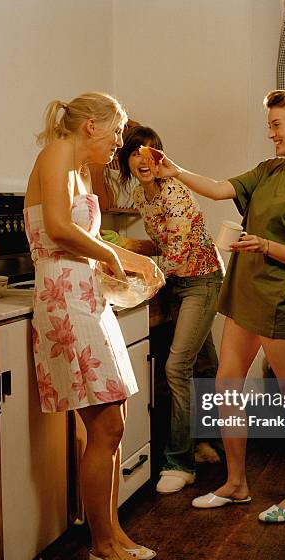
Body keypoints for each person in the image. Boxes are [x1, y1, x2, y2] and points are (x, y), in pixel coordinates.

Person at [150, 90, 285, 522]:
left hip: (277, 298)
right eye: (270, 124)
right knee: (227, 383)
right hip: (244, 291)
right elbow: (219, 189)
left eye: (277, 125)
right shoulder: (271, 170)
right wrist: (173, 171)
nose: (270, 132)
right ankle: (236, 484)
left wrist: (265, 244)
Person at [23, 92, 164, 560]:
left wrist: (118, 261)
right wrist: (119, 257)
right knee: (103, 425)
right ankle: (102, 548)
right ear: (90, 127)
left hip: (87, 300)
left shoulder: (82, 170)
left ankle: (115, 534)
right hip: (64, 301)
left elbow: (84, 236)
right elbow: (60, 229)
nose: (119, 142)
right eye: (116, 132)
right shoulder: (57, 153)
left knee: (114, 423)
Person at [116, 126, 225, 494]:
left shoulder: (173, 191)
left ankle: (180, 462)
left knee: (177, 366)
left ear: (161, 158)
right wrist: (128, 244)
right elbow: (162, 243)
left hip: (202, 280)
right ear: (126, 160)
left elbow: (176, 252)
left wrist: (121, 257)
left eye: (151, 152)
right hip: (181, 282)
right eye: (135, 153)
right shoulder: (140, 196)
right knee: (205, 364)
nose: (143, 159)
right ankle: (209, 442)